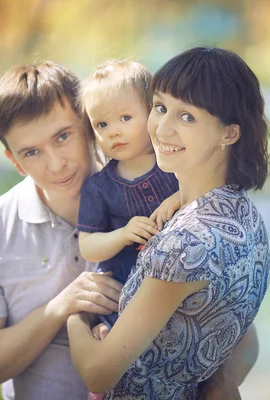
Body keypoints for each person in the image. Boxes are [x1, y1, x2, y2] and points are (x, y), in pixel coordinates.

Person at [0, 59, 259, 400]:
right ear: (14, 160)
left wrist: (216, 382)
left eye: (63, 136)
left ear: (87, 125)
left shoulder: (169, 192)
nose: (56, 163)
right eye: (32, 152)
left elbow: (239, 328)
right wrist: (61, 309)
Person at [67, 47, 270, 399]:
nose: (161, 128)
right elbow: (246, 338)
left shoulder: (184, 246)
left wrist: (75, 314)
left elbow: (97, 374)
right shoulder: (244, 212)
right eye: (160, 107)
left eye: (187, 117)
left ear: (229, 133)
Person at [77, 60, 180, 329]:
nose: (113, 131)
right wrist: (121, 235)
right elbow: (87, 246)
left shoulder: (175, 164)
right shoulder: (99, 187)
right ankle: (105, 328)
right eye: (101, 124)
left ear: (152, 113)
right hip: (125, 290)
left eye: (125, 118)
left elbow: (207, 193)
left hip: (179, 286)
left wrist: (179, 199)